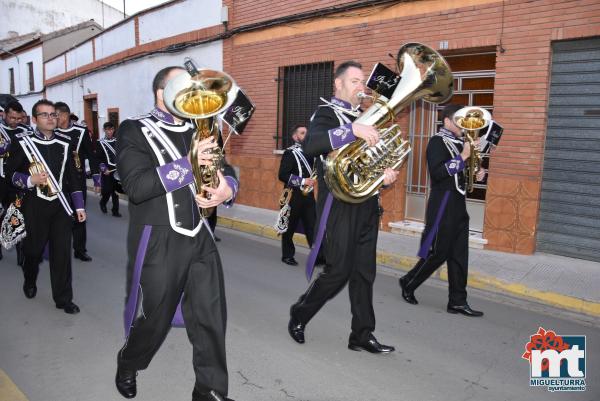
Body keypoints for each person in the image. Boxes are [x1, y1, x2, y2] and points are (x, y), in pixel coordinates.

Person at [114, 66, 239, 401]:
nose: (194, 93)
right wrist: (189, 163)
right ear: (161, 92)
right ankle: (128, 361)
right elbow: (137, 186)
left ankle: (209, 390)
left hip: (201, 235)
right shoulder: (134, 129)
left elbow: (225, 171)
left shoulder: (201, 128)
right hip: (159, 238)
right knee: (156, 318)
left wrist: (227, 189)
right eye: (185, 87)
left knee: (211, 316)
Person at [287, 61, 399, 353]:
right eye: (354, 81)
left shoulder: (365, 117)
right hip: (338, 205)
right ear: (337, 84)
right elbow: (312, 145)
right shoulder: (325, 113)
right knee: (338, 271)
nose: (360, 87)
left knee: (365, 272)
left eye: (363, 82)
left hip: (366, 204)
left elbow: (372, 160)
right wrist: (353, 131)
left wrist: (385, 176)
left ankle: (361, 334)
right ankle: (300, 312)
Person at [398, 104, 486, 317]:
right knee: (438, 252)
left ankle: (457, 301)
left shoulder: (461, 143)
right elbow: (438, 173)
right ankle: (409, 281)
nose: (463, 125)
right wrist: (463, 157)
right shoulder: (437, 142)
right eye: (459, 120)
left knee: (459, 254)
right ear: (447, 121)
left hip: (458, 202)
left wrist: (478, 171)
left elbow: (462, 173)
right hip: (443, 201)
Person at [5, 99, 86, 314]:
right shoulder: (22, 142)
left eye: (53, 115)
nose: (51, 118)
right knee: (33, 252)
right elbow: (9, 175)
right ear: (34, 119)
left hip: (60, 206)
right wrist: (30, 180)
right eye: (45, 115)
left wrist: (79, 206)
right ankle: (29, 278)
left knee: (62, 253)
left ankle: (63, 299)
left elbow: (74, 178)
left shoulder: (66, 143)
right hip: (34, 205)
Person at [55, 101, 100, 262]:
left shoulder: (80, 132)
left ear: (65, 115)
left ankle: (80, 249)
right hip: (57, 181)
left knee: (79, 215)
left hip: (78, 180)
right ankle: (60, 248)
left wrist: (96, 178)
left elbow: (91, 155)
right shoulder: (51, 133)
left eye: (56, 115)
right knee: (60, 217)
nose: (54, 118)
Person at [277, 124, 317, 266]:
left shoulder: (312, 153)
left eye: (307, 132)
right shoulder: (290, 153)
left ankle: (318, 256)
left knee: (313, 226)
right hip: (293, 195)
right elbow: (282, 175)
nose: (306, 135)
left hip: (309, 196)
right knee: (289, 227)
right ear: (295, 137)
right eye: (302, 132)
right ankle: (287, 255)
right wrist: (302, 180)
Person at [0, 101, 30, 264]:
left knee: (18, 215)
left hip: (18, 181)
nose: (15, 121)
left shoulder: (26, 131)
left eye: (19, 118)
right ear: (4, 114)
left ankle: (22, 253)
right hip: (0, 180)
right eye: (12, 117)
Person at [98, 122, 121, 217]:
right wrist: (103, 169)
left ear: (113, 130)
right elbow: (98, 158)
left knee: (115, 192)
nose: (109, 132)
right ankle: (103, 203)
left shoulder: (118, 141)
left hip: (117, 170)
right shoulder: (100, 142)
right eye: (107, 129)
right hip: (107, 170)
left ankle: (115, 211)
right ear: (104, 130)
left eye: (111, 129)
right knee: (107, 191)